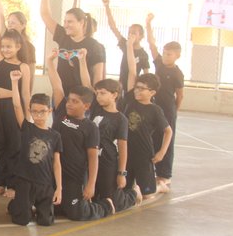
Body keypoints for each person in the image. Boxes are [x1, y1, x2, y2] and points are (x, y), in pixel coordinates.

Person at [46, 54, 117, 220]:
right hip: (54, 173)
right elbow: (56, 85)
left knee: (77, 213)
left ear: (86, 106)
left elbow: (93, 158)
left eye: (75, 102)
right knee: (52, 209)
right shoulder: (61, 113)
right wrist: (49, 62)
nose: (69, 104)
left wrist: (91, 185)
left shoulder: (90, 127)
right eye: (69, 100)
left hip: (74, 178)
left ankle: (106, 205)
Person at [7, 79, 63, 227]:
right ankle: (16, 204)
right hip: (25, 181)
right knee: (22, 220)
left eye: (42, 111)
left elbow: (56, 163)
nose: (38, 115)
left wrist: (59, 188)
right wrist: (14, 82)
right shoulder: (27, 128)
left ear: (49, 111)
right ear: (30, 111)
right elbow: (16, 105)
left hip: (45, 183)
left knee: (46, 221)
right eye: (34, 111)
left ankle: (32, 206)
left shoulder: (55, 136)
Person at [123, 47, 173, 200]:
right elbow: (132, 71)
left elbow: (168, 131)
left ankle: (160, 186)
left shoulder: (155, 110)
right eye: (137, 87)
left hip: (144, 154)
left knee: (147, 195)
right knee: (123, 188)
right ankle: (134, 187)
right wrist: (129, 45)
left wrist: (161, 152)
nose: (137, 91)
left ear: (152, 92)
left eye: (142, 89)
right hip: (126, 152)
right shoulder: (131, 100)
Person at [0, 27, 31, 197]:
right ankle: (0, 183)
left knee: (14, 145)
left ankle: (13, 185)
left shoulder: (23, 66)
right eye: (3, 46)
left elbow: (25, 93)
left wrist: (27, 116)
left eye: (9, 46)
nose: (5, 49)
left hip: (12, 106)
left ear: (18, 47)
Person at [40, 0, 105, 92]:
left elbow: (98, 77)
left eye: (70, 22)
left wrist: (95, 96)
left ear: (81, 23)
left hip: (82, 96)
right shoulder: (63, 35)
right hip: (61, 92)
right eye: (65, 21)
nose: (66, 25)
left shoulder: (94, 45)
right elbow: (45, 16)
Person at [90, 78, 142, 209]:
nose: (98, 96)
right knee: (94, 197)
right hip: (91, 159)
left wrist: (121, 173)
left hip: (108, 161)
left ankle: (134, 193)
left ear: (114, 95)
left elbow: (123, 147)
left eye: (103, 93)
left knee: (114, 202)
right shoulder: (95, 108)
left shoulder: (121, 119)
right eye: (97, 93)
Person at [145, 14, 183, 186]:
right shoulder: (159, 63)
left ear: (177, 56)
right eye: (165, 53)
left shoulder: (177, 73)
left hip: (168, 110)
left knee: (167, 140)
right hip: (154, 107)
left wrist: (174, 111)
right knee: (152, 137)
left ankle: (165, 174)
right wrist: (148, 24)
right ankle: (150, 170)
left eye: (169, 54)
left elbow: (180, 95)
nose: (166, 56)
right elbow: (151, 44)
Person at [102, 0, 149, 95]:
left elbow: (146, 74)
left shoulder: (143, 54)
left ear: (141, 36)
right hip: (121, 85)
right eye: (129, 32)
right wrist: (107, 6)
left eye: (134, 33)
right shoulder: (125, 44)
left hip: (133, 88)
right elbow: (113, 27)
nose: (130, 35)